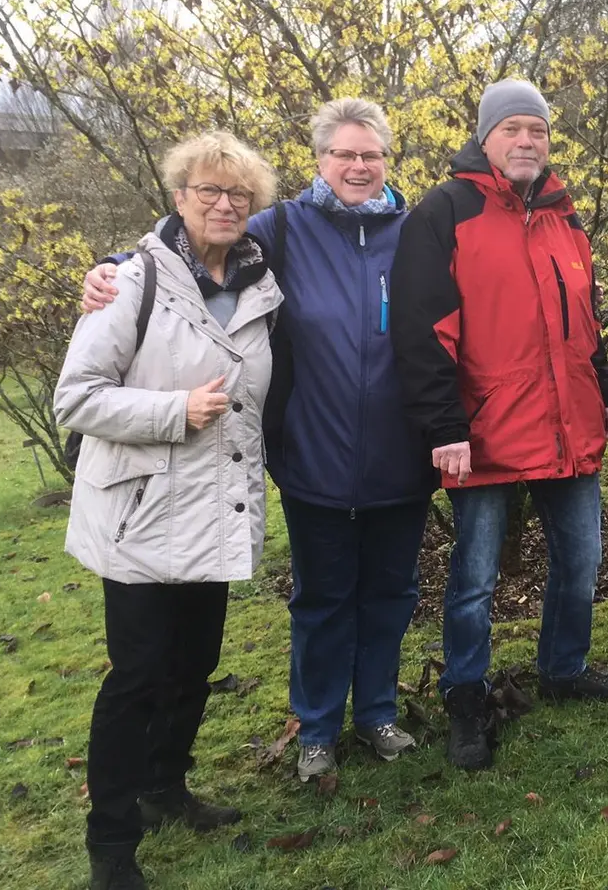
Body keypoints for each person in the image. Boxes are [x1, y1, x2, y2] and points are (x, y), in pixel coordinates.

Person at [80, 100, 434, 785]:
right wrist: (115, 264)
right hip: (314, 453)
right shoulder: (282, 230)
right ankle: (320, 726)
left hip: (401, 454)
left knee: (391, 594)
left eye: (372, 155)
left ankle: (379, 712)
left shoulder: (416, 231)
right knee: (323, 598)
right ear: (321, 160)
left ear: (387, 161)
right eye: (345, 154)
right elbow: (193, 244)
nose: (358, 167)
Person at [56, 131, 282, 890]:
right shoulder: (131, 282)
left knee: (195, 665)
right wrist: (173, 410)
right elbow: (76, 398)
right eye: (208, 191)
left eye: (238, 195)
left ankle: (164, 787)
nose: (224, 205)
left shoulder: (258, 284)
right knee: (137, 675)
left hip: (213, 509)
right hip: (144, 511)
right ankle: (111, 844)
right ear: (179, 197)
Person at [390, 79, 608, 771]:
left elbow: (586, 317)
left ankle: (563, 667)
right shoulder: (445, 212)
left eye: (539, 131)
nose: (527, 141)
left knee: (580, 561)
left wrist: (605, 389)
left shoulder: (564, 214)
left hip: (567, 422)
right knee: (472, 578)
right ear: (486, 137)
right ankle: (466, 696)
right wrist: (444, 426)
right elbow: (422, 329)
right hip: (484, 433)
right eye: (513, 130)